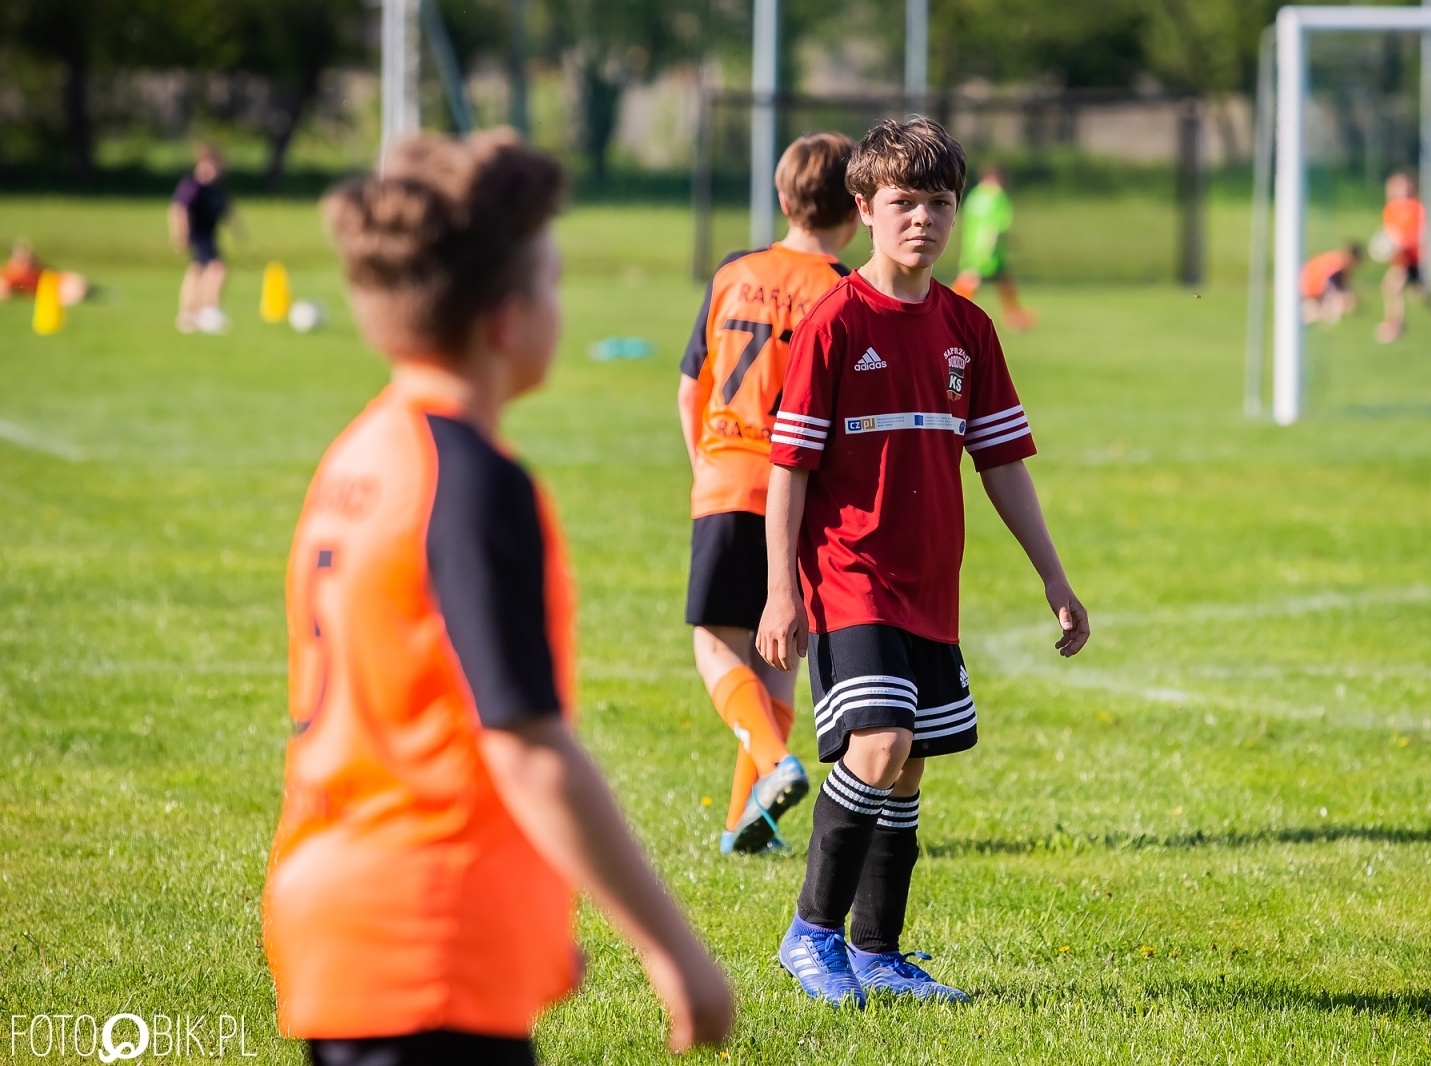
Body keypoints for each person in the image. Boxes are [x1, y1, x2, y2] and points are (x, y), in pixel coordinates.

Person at [262, 129, 733, 1066]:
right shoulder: (470, 482)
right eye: (553, 285)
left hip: (347, 919)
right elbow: (525, 743)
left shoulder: (361, 453)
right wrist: (673, 950)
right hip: (421, 941)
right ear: (507, 319)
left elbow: (419, 713)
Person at [756, 118, 1090, 1007]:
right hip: (846, 576)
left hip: (929, 588)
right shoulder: (834, 322)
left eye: (939, 203)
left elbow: (1003, 465)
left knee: (909, 766)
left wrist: (1053, 577)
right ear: (864, 208)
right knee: (880, 742)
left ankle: (878, 953)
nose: (924, 220)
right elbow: (787, 467)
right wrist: (780, 591)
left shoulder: (967, 330)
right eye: (903, 202)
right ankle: (809, 935)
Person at [677, 132, 858, 855]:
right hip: (798, 491)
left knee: (715, 644)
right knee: (776, 652)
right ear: (857, 208)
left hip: (725, 474)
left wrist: (704, 466)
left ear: (783, 199)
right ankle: (743, 825)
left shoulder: (734, 271)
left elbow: (691, 383)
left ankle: (775, 767)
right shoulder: (842, 290)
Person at [1374, 170, 1431, 344]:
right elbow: (1391, 233)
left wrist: (1401, 243)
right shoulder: (1390, 209)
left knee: (1393, 286)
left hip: (1414, 258)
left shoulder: (1416, 207)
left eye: (1403, 185)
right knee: (1420, 294)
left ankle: (1395, 325)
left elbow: (1418, 233)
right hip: (1400, 259)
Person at [951, 164, 1035, 330]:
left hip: (972, 247)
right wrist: (995, 244)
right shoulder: (998, 198)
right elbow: (996, 226)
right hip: (990, 249)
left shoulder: (973, 197)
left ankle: (1014, 316)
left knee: (1004, 280)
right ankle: (949, 313)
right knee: (970, 281)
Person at [169, 144, 234, 334]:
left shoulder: (215, 187)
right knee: (217, 269)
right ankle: (208, 311)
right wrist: (180, 232)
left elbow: (224, 209)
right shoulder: (193, 186)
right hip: (197, 234)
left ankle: (189, 315)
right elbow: (178, 209)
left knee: (198, 271)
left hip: (209, 234)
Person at [0, 238, 89, 305]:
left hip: (56, 284)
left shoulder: (35, 267)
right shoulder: (11, 273)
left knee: (78, 283)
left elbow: (52, 272)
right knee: (74, 291)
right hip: (51, 291)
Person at [1300, 242, 1363, 325]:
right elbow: (1332, 285)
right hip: (1307, 289)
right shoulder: (1339, 265)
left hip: (1307, 284)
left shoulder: (1337, 259)